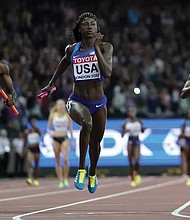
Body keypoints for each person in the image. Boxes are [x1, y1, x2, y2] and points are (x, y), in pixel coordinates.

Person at [41, 12, 113, 193]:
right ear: (79, 29)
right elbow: (64, 63)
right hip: (76, 101)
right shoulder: (71, 49)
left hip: (99, 102)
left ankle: (93, 172)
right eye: (85, 24)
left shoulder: (106, 47)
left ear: (97, 29)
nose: (89, 26)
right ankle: (81, 168)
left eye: (93, 24)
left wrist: (96, 48)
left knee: (96, 143)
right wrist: (51, 84)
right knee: (87, 123)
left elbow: (107, 72)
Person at [47, 99, 74, 188]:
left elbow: (70, 129)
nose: (61, 106)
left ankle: (65, 178)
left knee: (65, 159)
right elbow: (48, 128)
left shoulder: (67, 116)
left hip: (64, 138)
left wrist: (72, 140)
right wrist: (51, 133)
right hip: (55, 139)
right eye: (59, 104)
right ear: (56, 106)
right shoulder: (52, 115)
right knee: (58, 160)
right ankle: (60, 180)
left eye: (62, 104)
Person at [121, 107, 145, 187]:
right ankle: (132, 175)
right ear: (128, 113)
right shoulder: (126, 122)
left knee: (137, 160)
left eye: (133, 111)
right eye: (131, 111)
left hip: (137, 141)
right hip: (130, 141)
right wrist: (125, 131)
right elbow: (122, 134)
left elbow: (142, 131)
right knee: (130, 160)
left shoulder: (139, 121)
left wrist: (143, 127)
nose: (132, 113)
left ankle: (136, 173)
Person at [24, 117, 42, 186]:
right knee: (29, 163)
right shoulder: (27, 131)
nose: (33, 123)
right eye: (32, 122)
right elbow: (25, 140)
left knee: (36, 165)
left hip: (36, 148)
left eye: (35, 122)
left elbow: (41, 137)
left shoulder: (38, 130)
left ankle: (36, 178)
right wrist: (25, 148)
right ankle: (29, 178)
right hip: (30, 148)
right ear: (30, 123)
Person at [177, 110, 190, 186]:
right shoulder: (185, 123)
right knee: (184, 158)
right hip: (186, 142)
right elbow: (181, 134)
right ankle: (185, 174)